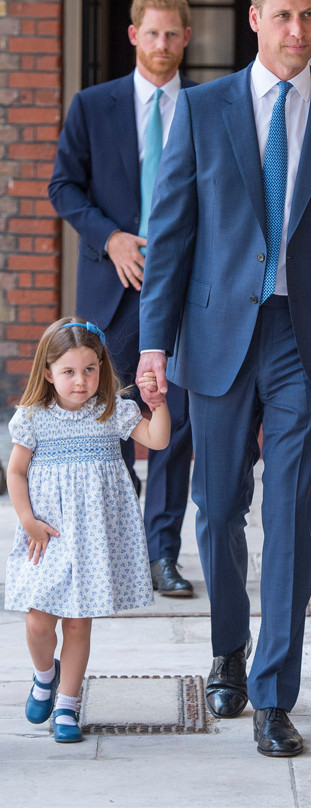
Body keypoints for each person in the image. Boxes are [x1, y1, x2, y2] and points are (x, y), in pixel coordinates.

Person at [135, 0, 311, 757]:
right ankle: (227, 651)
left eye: (309, 17)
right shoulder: (206, 109)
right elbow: (171, 231)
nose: (298, 32)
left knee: (287, 517)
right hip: (214, 338)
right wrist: (152, 342)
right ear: (254, 20)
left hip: (302, 340)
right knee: (218, 510)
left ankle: (276, 695)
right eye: (283, 17)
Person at [48, 0, 196, 599]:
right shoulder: (93, 105)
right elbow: (63, 187)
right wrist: (110, 238)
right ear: (133, 35)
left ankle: (162, 552)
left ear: (187, 38)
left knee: (172, 418)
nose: (162, 45)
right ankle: (115, 539)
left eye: (173, 34)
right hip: (113, 289)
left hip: (185, 289)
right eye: (152, 33)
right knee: (107, 415)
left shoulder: (206, 107)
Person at [4, 317, 170, 744]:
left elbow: (156, 440)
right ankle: (45, 676)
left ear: (102, 368)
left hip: (94, 537)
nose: (81, 381)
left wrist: (159, 403)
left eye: (90, 370)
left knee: (78, 624)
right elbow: (17, 472)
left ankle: (67, 703)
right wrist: (27, 520)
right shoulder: (35, 418)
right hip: (49, 534)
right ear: (48, 373)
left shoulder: (112, 409)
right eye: (69, 372)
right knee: (40, 622)